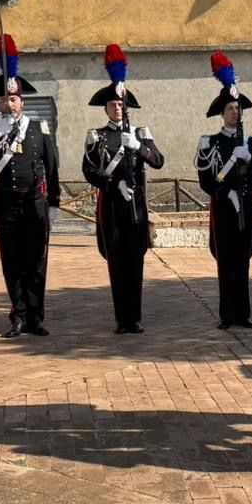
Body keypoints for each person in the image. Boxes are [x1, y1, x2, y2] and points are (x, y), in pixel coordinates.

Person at [0, 34, 60, 337]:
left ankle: (35, 316)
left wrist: (53, 202)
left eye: (13, 98)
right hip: (5, 203)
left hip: (34, 202)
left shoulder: (38, 127)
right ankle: (17, 315)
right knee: (12, 261)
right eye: (4, 99)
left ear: (22, 101)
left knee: (36, 262)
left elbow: (52, 166)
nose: (8, 103)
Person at [83, 44, 164, 334]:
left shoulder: (140, 133)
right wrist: (112, 183)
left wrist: (138, 147)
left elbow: (158, 161)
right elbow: (89, 170)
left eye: (121, 104)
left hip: (137, 205)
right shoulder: (97, 136)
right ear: (106, 108)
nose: (117, 108)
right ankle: (122, 319)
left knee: (136, 260)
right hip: (113, 207)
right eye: (113, 105)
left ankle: (136, 317)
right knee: (117, 264)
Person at [196, 51, 252, 329]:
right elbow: (206, 180)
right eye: (231, 109)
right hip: (224, 209)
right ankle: (227, 315)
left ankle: (243, 313)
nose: (235, 112)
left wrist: (248, 158)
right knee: (226, 264)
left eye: (238, 108)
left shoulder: (251, 142)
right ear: (222, 114)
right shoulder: (210, 143)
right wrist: (226, 193)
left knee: (244, 260)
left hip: (246, 206)